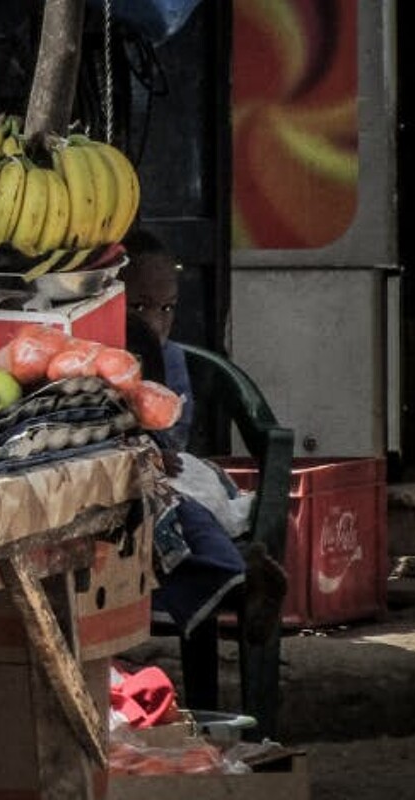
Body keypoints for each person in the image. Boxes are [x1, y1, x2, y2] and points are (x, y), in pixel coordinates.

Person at [119, 229, 285, 639]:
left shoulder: (169, 359)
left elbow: (171, 436)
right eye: (138, 306)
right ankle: (228, 578)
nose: (156, 322)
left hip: (166, 472)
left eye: (168, 308)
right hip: (117, 473)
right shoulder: (90, 358)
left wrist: (151, 447)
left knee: (175, 509)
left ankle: (236, 579)